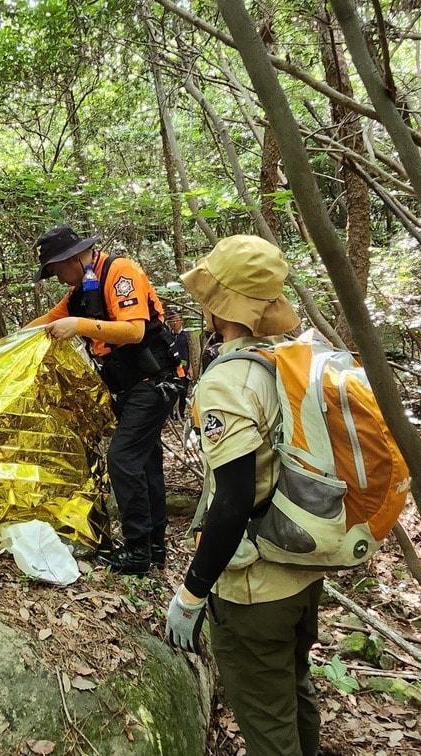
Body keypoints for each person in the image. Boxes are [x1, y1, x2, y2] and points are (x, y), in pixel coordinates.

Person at [163, 235, 325, 756]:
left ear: (218, 305)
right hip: (303, 567)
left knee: (268, 727)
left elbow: (232, 498)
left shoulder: (229, 380)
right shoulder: (291, 358)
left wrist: (191, 593)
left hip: (255, 589)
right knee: (294, 696)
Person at [27, 225, 183, 575]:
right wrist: (3, 346)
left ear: (73, 258)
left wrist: (79, 326)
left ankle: (137, 550)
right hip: (127, 386)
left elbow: (135, 330)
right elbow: (45, 323)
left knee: (123, 459)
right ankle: (153, 548)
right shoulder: (79, 292)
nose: (57, 277)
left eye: (57, 269)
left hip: (156, 380)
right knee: (145, 462)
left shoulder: (120, 272)